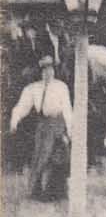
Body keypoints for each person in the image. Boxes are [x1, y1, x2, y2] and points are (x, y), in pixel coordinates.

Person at [8, 54, 72, 201]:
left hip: (58, 124)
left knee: (57, 157)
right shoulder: (33, 89)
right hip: (43, 126)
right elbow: (21, 107)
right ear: (40, 72)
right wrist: (14, 121)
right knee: (41, 157)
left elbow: (67, 109)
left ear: (54, 71)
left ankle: (57, 192)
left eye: (50, 69)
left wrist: (69, 130)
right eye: (44, 70)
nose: (48, 73)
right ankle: (38, 192)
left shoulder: (61, 87)